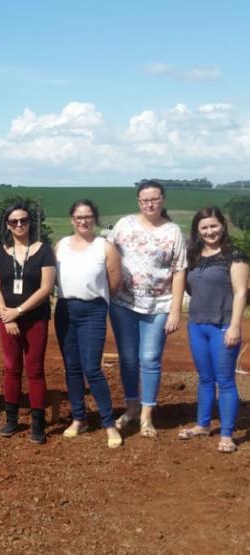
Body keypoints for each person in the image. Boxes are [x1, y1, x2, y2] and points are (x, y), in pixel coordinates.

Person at [108, 180, 186, 438]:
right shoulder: (124, 225)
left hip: (159, 305)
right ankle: (131, 408)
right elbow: (107, 254)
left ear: (162, 200)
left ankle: (146, 416)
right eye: (144, 200)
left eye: (154, 199)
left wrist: (175, 310)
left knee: (150, 359)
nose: (150, 204)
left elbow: (179, 271)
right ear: (138, 202)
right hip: (123, 304)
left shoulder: (173, 231)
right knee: (129, 359)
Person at [54, 200, 123, 448]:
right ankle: (79, 418)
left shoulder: (104, 247)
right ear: (72, 220)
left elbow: (115, 283)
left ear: (94, 218)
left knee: (92, 368)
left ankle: (108, 423)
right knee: (72, 368)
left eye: (88, 216)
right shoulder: (60, 246)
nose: (83, 220)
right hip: (64, 309)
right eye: (79, 217)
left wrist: (99, 302)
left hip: (92, 310)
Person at [178, 206, 247, 453]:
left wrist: (235, 327)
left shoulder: (234, 255)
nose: (210, 231)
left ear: (223, 226)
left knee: (225, 380)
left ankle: (227, 434)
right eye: (204, 227)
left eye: (214, 226)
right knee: (205, 378)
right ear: (198, 231)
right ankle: (203, 424)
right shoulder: (193, 256)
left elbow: (241, 292)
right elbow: (188, 288)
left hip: (223, 325)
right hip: (197, 324)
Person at [0, 202, 56, 444]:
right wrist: (5, 314)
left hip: (35, 318)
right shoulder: (0, 252)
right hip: (8, 320)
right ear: (7, 225)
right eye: (14, 221)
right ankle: (12, 418)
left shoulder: (44, 250)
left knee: (35, 369)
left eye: (24, 220)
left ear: (30, 223)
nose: (19, 225)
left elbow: (46, 287)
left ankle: (38, 423)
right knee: (11, 368)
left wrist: (18, 311)